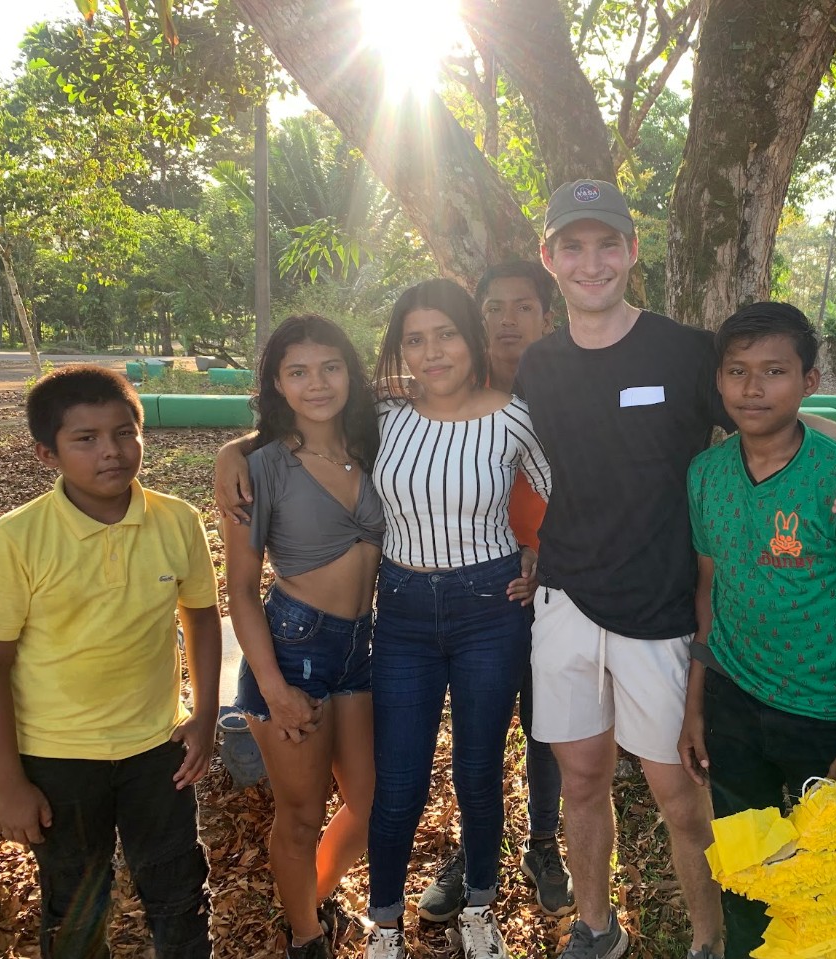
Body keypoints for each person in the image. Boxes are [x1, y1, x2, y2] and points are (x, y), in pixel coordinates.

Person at [514, 178, 836, 959]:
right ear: (549, 258)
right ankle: (596, 926)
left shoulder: (684, 350)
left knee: (681, 796)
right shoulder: (538, 364)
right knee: (580, 778)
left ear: (631, 251)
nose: (592, 263)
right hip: (564, 595)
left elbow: (773, 411)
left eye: (607, 244)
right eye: (573, 247)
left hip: (662, 604)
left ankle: (708, 938)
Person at [215, 280, 552, 958]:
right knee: (394, 785)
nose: (434, 351)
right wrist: (232, 453)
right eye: (416, 339)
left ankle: (478, 908)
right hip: (387, 617)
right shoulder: (385, 417)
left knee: (473, 773)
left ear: (471, 338)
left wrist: (539, 555)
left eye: (447, 333)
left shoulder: (509, 417)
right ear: (399, 348)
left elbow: (562, 493)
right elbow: (295, 426)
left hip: (482, 609)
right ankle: (380, 926)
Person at [0, 366, 221, 959]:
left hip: (157, 749)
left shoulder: (176, 519)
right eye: (86, 438)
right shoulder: (16, 540)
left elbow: (201, 616)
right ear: (46, 453)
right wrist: (9, 783)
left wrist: (204, 715)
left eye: (125, 432)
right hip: (58, 758)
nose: (112, 451)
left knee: (179, 890)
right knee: (76, 903)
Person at [677, 303, 836, 959]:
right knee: (749, 875)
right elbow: (709, 591)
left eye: (774, 371)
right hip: (733, 703)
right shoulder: (706, 474)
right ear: (719, 380)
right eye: (737, 371)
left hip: (827, 718)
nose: (753, 388)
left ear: (809, 380)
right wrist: (695, 705)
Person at [416, 261, 575, 924]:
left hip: (560, 585)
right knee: (477, 732)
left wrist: (551, 554)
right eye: (494, 308)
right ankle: (472, 849)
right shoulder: (450, 389)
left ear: (547, 318)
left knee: (548, 724)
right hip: (477, 593)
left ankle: (544, 844)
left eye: (523, 307)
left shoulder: (570, 391)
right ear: (477, 321)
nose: (508, 320)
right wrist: (239, 450)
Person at [224, 315, 384, 959]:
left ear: (350, 372)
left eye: (330, 367)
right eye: (298, 372)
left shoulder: (375, 442)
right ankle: (307, 937)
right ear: (277, 384)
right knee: (300, 814)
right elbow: (239, 589)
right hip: (294, 648)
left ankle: (309, 894)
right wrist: (273, 687)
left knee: (372, 806)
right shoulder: (258, 469)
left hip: (360, 647)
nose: (317, 384)